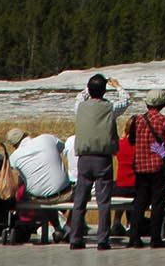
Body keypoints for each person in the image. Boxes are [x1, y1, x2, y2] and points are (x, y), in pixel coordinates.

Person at [69, 72, 121, 251]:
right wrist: (117, 86)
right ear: (104, 91)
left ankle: (75, 238)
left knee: (80, 201)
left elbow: (79, 97)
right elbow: (126, 101)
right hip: (103, 158)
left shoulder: (80, 107)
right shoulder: (110, 108)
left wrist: (88, 88)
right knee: (103, 202)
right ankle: (102, 239)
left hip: (84, 158)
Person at [128, 89, 165, 249]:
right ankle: (155, 238)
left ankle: (134, 237)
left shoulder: (137, 120)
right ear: (163, 104)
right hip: (157, 167)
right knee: (157, 203)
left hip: (140, 166)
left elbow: (131, 141)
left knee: (139, 203)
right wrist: (159, 148)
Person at [5, 127, 71, 240]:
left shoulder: (14, 158)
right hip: (64, 193)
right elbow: (62, 148)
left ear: (13, 145)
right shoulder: (47, 138)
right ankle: (69, 227)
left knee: (45, 194)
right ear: (26, 135)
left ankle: (58, 229)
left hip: (38, 198)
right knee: (83, 195)